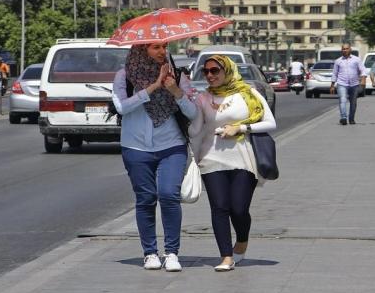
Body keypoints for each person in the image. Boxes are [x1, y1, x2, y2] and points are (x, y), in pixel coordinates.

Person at [112, 44, 197, 272]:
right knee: (146, 198)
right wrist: (153, 87)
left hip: (172, 146)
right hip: (135, 148)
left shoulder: (177, 76)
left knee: (169, 195)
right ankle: (150, 253)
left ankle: (171, 252)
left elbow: (193, 112)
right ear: (142, 50)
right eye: (155, 47)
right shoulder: (124, 76)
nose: (162, 51)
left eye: (164, 47)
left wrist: (175, 91)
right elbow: (121, 107)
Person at [189, 55, 276, 272]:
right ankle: (226, 256)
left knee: (238, 208)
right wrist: (183, 101)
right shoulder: (202, 98)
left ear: (227, 70)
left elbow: (270, 123)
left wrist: (241, 128)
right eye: (205, 72)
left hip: (243, 157)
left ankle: (243, 238)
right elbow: (195, 131)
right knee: (219, 207)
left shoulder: (248, 93)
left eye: (214, 70)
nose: (210, 75)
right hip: (211, 158)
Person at [330, 43, 366, 125]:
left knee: (353, 102)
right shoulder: (338, 61)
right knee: (342, 100)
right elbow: (335, 73)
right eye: (343, 49)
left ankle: (351, 118)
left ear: (350, 49)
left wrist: (363, 80)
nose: (345, 50)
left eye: (346, 49)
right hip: (342, 83)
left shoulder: (357, 60)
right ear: (341, 50)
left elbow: (363, 70)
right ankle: (343, 117)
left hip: (354, 84)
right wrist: (332, 85)